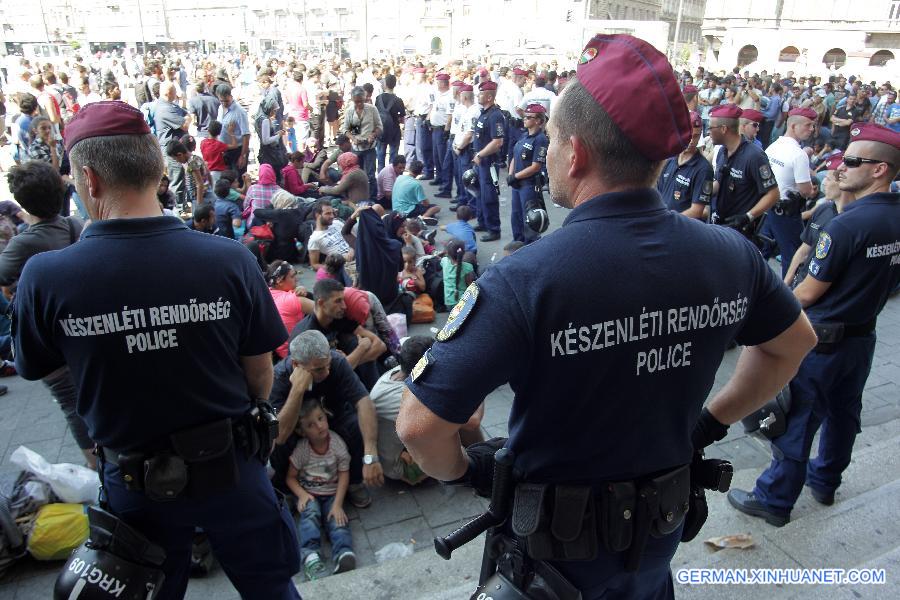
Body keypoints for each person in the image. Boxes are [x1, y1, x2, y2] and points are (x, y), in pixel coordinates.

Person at [396, 34, 817, 600]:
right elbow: (792, 344)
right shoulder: (730, 253)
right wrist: (708, 424)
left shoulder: (526, 278)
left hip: (552, 564)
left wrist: (470, 473)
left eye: (547, 141)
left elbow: (419, 427)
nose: (543, 153)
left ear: (576, 152)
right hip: (655, 543)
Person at [12, 101, 301, 599]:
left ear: (89, 179)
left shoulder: (45, 277)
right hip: (233, 467)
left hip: (135, 485)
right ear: (157, 169)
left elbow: (36, 365)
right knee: (271, 589)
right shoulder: (229, 260)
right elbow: (260, 374)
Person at [729, 123, 900, 527]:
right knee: (844, 414)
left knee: (799, 418)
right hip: (862, 336)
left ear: (880, 170)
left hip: (821, 341)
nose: (841, 166)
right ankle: (825, 481)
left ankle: (774, 499)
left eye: (853, 160)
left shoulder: (847, 225)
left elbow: (807, 293)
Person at [270, 329, 384, 510]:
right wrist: (297, 390)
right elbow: (278, 436)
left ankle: (354, 481)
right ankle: (287, 489)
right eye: (318, 369)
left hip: (332, 420)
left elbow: (364, 401)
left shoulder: (335, 362)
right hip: (297, 431)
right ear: (296, 365)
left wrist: (371, 454)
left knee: (355, 425)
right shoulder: (278, 378)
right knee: (276, 445)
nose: (327, 372)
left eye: (327, 365)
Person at [286, 396, 356, 580]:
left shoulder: (336, 443)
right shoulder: (302, 449)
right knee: (310, 516)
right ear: (301, 432)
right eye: (310, 425)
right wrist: (301, 495)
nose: (319, 426)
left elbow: (344, 473)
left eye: (320, 418)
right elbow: (290, 478)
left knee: (338, 520)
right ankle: (310, 555)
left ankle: (343, 552)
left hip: (332, 493)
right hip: (309, 494)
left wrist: (338, 504)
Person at [291, 278, 387, 391]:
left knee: (356, 342)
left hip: (341, 370)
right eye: (338, 301)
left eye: (343, 300)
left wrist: (352, 361)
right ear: (321, 303)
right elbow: (322, 374)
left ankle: (375, 393)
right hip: (318, 385)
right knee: (360, 346)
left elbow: (380, 345)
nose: (344, 306)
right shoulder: (308, 334)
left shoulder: (336, 318)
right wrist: (359, 351)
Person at [708, 104, 780, 238]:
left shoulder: (754, 156)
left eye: (711, 128)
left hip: (739, 230)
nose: (708, 132)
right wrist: (700, 192)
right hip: (720, 223)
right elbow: (719, 181)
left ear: (724, 129)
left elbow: (773, 194)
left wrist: (748, 217)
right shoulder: (723, 151)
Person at [764, 107, 818, 277]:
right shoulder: (798, 154)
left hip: (767, 206)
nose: (812, 129)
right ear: (793, 126)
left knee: (763, 249)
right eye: (808, 125)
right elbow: (805, 190)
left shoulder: (774, 145)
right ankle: (788, 296)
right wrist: (812, 191)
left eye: (813, 126)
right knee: (794, 256)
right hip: (785, 213)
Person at [783, 159, 847, 289]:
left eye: (829, 179)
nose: (824, 184)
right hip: (799, 285)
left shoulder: (852, 220)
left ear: (842, 184)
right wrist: (785, 286)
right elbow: (803, 251)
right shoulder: (823, 209)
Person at [656, 110, 713, 219]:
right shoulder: (670, 160)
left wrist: (667, 220)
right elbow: (659, 194)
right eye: (689, 135)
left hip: (683, 229)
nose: (692, 140)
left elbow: (697, 211)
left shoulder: (704, 169)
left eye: (696, 136)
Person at [506, 103, 549, 244]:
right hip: (517, 183)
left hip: (529, 185)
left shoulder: (540, 139)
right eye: (524, 116)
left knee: (530, 218)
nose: (524, 119)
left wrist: (516, 176)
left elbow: (536, 166)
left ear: (538, 120)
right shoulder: (524, 136)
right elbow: (514, 155)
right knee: (516, 216)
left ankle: (530, 246)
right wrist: (511, 174)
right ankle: (517, 244)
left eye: (528, 117)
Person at [472, 81, 506, 242]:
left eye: (481, 93)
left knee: (489, 196)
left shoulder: (495, 115)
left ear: (490, 96)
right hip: (481, 162)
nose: (478, 95)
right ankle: (483, 221)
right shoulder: (484, 113)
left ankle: (494, 229)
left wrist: (480, 154)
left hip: (488, 162)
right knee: (480, 194)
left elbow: (497, 141)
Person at [343, 86, 382, 201]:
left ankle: (373, 198)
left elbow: (379, 127)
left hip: (369, 148)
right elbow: (346, 130)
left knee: (370, 175)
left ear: (365, 98)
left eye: (361, 101)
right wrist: (353, 139)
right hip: (356, 148)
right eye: (356, 102)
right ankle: (358, 198)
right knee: (356, 174)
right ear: (352, 100)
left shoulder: (372, 109)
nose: (359, 104)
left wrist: (373, 135)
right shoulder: (349, 111)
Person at [215, 84, 251, 175]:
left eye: (226, 101)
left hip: (238, 150)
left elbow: (246, 135)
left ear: (231, 96)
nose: (224, 103)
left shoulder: (240, 112)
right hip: (225, 149)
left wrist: (243, 155)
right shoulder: (220, 108)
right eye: (221, 101)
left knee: (238, 179)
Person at [374, 74, 405, 173]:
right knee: (393, 157)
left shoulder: (378, 99)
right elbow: (402, 118)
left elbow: (376, 114)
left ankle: (381, 178)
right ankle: (391, 178)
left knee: (380, 156)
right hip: (394, 131)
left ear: (385, 84)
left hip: (381, 131)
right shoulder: (398, 100)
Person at [440, 239, 475, 309]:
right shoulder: (467, 267)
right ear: (463, 253)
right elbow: (469, 285)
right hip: (462, 303)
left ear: (447, 253)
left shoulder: (444, 261)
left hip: (448, 302)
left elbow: (443, 259)